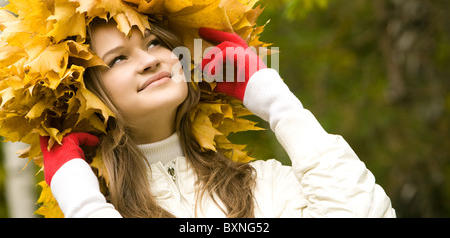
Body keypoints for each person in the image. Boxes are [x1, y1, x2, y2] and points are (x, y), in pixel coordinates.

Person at [39, 17, 396, 218]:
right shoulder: (100, 208)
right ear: (84, 94)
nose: (150, 60)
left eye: (153, 43)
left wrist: (279, 104)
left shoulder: (265, 186)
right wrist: (84, 205)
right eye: (118, 59)